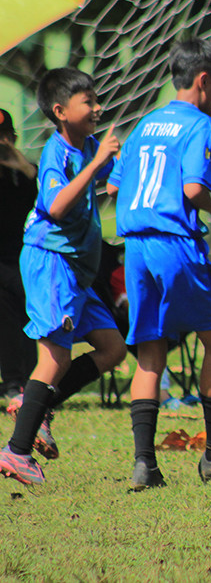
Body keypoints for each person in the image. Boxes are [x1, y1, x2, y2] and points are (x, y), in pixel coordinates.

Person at [106, 39, 211, 490]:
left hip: (136, 247)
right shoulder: (199, 124)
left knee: (150, 353)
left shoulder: (144, 124)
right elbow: (193, 190)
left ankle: (145, 464)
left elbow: (113, 185)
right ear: (204, 81)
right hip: (174, 245)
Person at [0, 69, 127, 485]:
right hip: (51, 263)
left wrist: (119, 175)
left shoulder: (88, 147)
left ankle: (37, 406)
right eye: (88, 101)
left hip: (78, 270)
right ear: (61, 111)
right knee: (55, 358)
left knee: (112, 349)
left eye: (96, 99)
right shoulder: (59, 152)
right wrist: (95, 166)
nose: (97, 108)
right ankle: (16, 452)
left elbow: (103, 183)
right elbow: (54, 206)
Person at [0, 109, 38, 401]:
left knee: (26, 314)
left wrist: (21, 166)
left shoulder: (25, 174)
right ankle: (15, 380)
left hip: (22, 258)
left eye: (4, 138)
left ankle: (28, 380)